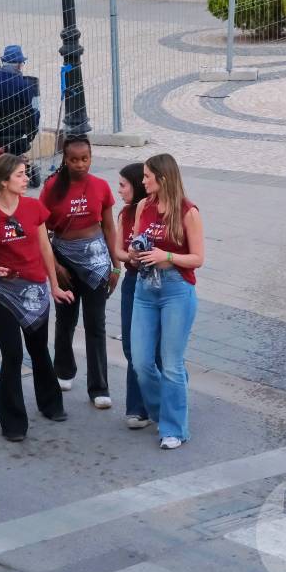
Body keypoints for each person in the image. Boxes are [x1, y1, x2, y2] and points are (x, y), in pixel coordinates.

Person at [0, 154, 73, 441]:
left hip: (35, 291)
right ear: (3, 181)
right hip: (2, 293)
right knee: (12, 355)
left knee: (39, 351)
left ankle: (50, 404)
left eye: (26, 174)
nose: (26, 179)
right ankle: (13, 422)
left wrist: (54, 285)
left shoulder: (34, 207)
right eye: (21, 175)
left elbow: (46, 249)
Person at [125, 154, 204, 451]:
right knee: (142, 361)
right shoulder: (143, 206)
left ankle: (174, 428)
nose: (142, 181)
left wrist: (166, 256)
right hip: (145, 288)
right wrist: (134, 251)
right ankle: (164, 411)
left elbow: (198, 258)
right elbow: (134, 243)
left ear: (164, 178)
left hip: (176, 290)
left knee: (171, 364)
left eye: (147, 177)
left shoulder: (188, 211)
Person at [39, 136, 122, 410]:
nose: (79, 164)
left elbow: (110, 227)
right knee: (66, 319)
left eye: (84, 159)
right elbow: (42, 231)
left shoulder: (100, 186)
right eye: (73, 159)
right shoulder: (52, 187)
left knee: (96, 323)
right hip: (64, 258)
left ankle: (99, 387)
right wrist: (55, 266)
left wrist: (116, 265)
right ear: (65, 159)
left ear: (91, 157)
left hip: (97, 260)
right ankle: (63, 370)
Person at [115, 162, 157, 429]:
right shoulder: (124, 214)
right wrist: (129, 255)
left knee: (158, 347)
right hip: (132, 280)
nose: (119, 190)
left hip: (157, 282)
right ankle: (137, 407)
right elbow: (118, 252)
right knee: (131, 346)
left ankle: (166, 398)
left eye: (123, 184)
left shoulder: (155, 212)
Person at [0, 45, 41, 189]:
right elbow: (32, 113)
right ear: (18, 65)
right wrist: (31, 132)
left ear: (3, 62)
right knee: (34, 112)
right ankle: (15, 159)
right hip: (18, 134)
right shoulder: (25, 85)